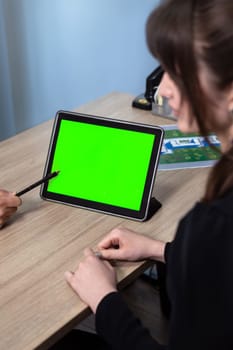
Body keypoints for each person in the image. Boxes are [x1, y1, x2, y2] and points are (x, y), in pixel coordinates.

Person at [51, 0, 233, 348]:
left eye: (176, 73)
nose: (162, 88)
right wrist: (160, 249)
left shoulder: (213, 226)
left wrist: (105, 300)